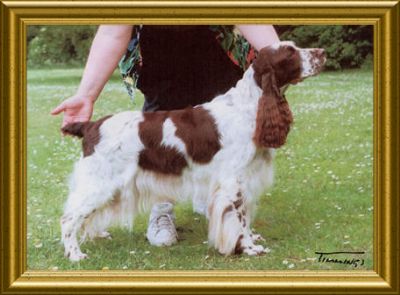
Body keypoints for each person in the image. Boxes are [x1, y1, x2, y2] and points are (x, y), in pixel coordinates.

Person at [51, 24, 280, 247]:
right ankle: (162, 209)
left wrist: (281, 57)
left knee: (220, 130)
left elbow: (246, 14)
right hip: (159, 50)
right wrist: (86, 95)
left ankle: (221, 209)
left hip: (216, 46)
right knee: (159, 127)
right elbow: (113, 30)